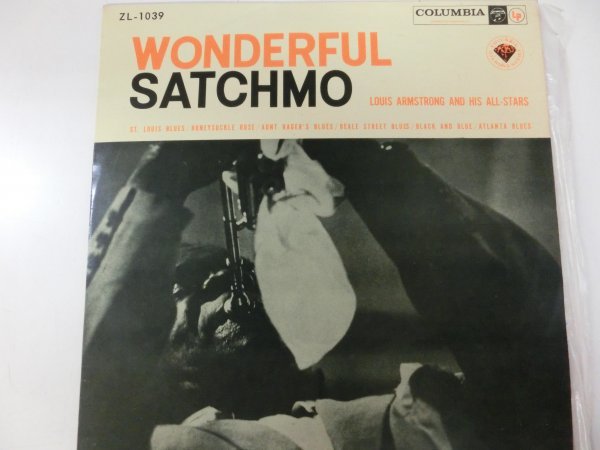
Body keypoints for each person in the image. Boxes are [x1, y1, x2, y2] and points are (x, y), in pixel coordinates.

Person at [79, 139, 571, 449]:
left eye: (239, 271)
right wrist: (162, 181)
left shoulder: (411, 422)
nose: (223, 278)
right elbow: (95, 383)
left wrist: (368, 161)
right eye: (178, 287)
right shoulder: (123, 435)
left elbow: (541, 352)